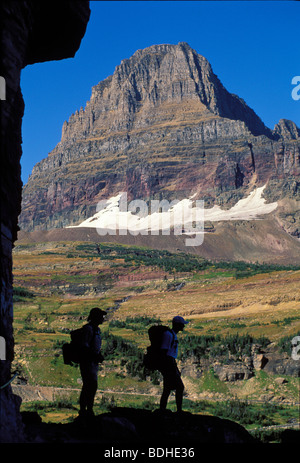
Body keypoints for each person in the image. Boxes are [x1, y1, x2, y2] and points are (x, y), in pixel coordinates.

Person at [78, 307, 107, 421]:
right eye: (101, 316)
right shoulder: (89, 329)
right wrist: (95, 356)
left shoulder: (95, 329)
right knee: (89, 385)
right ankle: (86, 410)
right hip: (88, 362)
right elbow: (84, 346)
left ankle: (87, 410)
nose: (103, 318)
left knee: (90, 386)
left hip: (92, 362)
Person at [159, 315, 189, 414]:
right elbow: (164, 352)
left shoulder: (171, 334)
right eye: (182, 325)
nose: (183, 327)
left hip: (170, 364)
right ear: (177, 325)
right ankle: (179, 411)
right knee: (179, 387)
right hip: (168, 365)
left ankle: (162, 409)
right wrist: (171, 367)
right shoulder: (169, 335)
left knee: (167, 389)